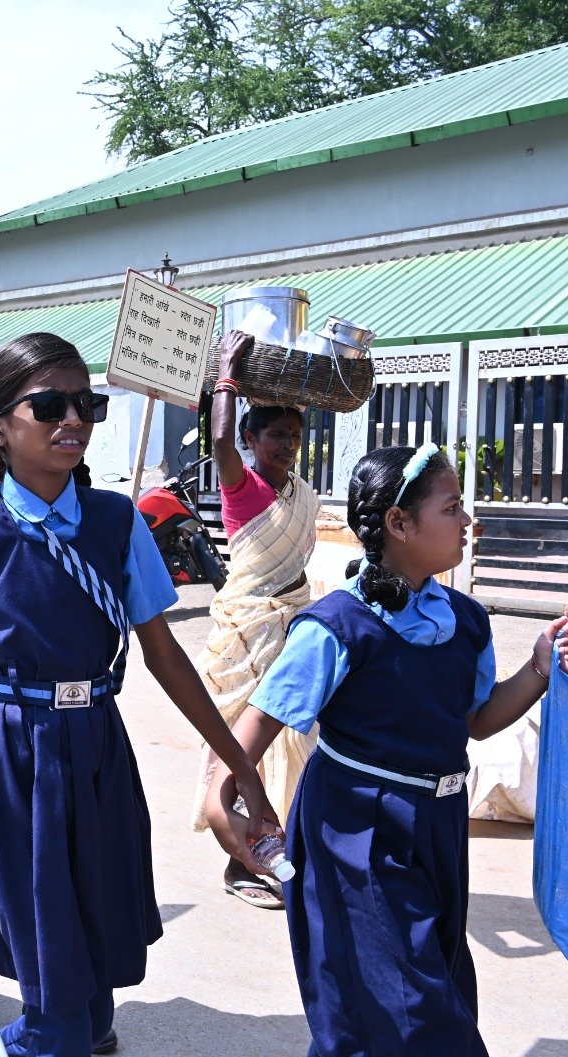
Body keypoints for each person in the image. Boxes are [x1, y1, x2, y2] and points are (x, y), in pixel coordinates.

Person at [0, 332, 280, 1057]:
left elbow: (165, 655)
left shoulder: (118, 523)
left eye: (87, 404)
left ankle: (29, 1037)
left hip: (97, 746)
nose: (73, 420)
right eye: (49, 405)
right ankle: (0, 1052)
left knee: (90, 945)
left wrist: (236, 763)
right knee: (55, 979)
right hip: (8, 752)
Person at [202, 443, 568, 1057]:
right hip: (353, 831)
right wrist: (225, 806)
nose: (468, 521)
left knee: (396, 990)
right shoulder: (336, 627)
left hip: (436, 825)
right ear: (399, 525)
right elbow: (248, 737)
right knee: (414, 1013)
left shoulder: (464, 621)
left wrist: (538, 670)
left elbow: (476, 721)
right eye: (453, 508)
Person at [191, 334, 321, 909]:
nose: (287, 445)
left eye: (294, 436)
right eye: (276, 435)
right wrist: (226, 376)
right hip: (249, 630)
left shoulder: (301, 493)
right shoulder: (244, 486)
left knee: (294, 743)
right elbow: (217, 436)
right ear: (250, 439)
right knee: (243, 749)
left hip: (292, 625)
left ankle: (281, 844)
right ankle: (239, 861)